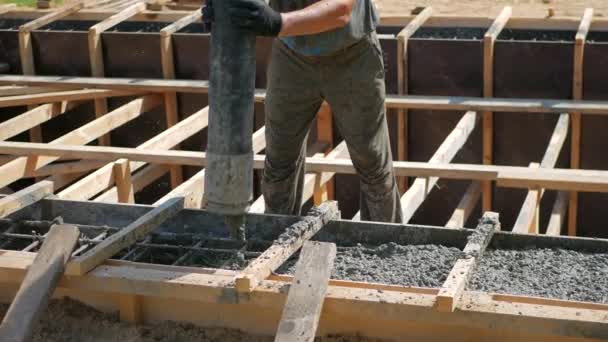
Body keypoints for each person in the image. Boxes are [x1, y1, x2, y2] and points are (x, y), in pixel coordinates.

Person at [203, 0, 403, 223]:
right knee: (279, 161)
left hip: (352, 54)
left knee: (373, 164)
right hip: (291, 55)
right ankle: (277, 239)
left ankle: (385, 244)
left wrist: (277, 22)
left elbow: (341, 10)